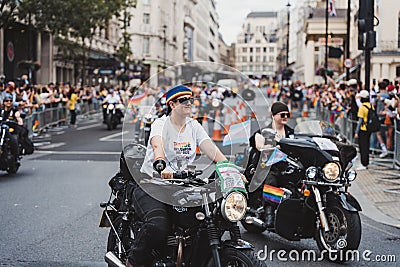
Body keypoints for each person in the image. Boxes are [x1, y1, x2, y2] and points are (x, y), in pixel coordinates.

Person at [126, 85, 230, 267]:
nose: (189, 103)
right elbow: (157, 143)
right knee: (157, 225)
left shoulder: (194, 126)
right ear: (172, 104)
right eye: (184, 100)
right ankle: (132, 262)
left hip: (182, 184)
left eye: (191, 99)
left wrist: (230, 169)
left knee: (209, 221)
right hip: (152, 183)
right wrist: (160, 162)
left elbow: (212, 150)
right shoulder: (161, 124)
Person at [247, 101, 294, 227]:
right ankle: (269, 212)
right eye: (282, 114)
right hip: (267, 166)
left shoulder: (291, 133)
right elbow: (258, 145)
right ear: (273, 116)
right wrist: (266, 146)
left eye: (287, 114)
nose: (285, 117)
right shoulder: (263, 132)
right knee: (271, 179)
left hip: (287, 166)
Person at [354, 90, 372, 170]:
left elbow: (360, 121)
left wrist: (356, 132)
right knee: (367, 146)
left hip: (363, 129)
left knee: (363, 147)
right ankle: (366, 162)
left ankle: (364, 163)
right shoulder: (370, 105)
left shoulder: (362, 108)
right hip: (368, 128)